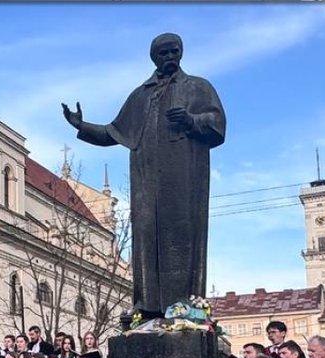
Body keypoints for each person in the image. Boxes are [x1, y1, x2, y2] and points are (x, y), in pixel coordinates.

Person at [63, 33, 225, 316]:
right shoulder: (141, 96)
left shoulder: (198, 87)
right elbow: (113, 132)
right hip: (146, 180)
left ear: (181, 53)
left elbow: (217, 124)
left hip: (183, 178)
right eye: (163, 53)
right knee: (146, 235)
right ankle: (148, 307)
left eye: (174, 51)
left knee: (181, 235)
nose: (170, 57)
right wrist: (81, 126)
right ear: (154, 58)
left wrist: (190, 120)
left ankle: (183, 308)